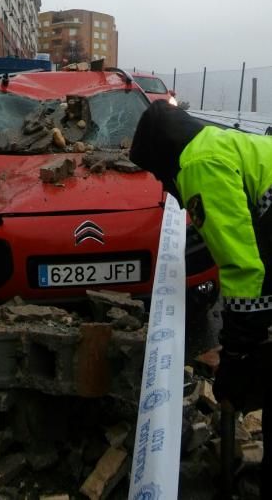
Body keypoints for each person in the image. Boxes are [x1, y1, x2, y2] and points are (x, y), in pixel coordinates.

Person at [129, 99, 272, 499]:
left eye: (158, 174)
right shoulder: (213, 144)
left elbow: (244, 270)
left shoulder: (198, 165)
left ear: (163, 157)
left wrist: (238, 354)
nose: (163, 185)